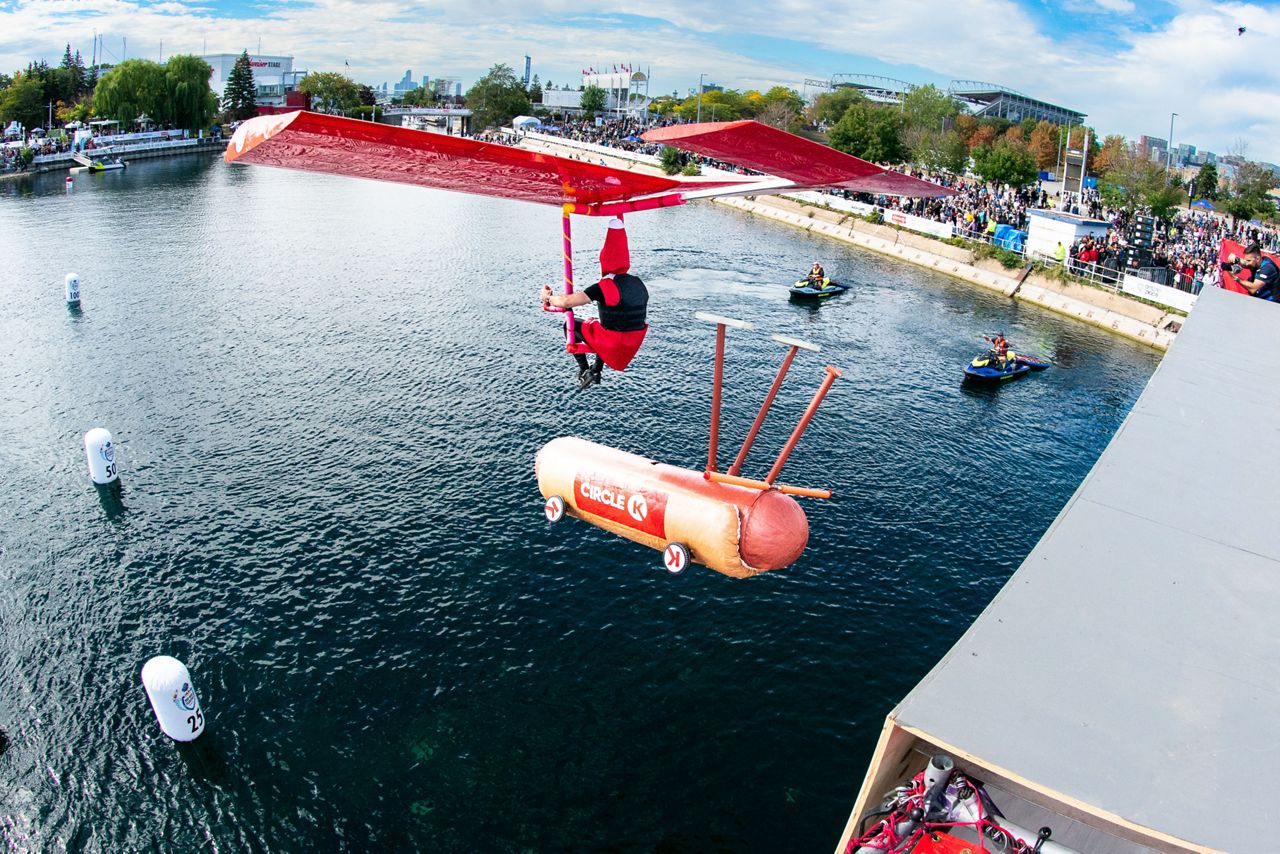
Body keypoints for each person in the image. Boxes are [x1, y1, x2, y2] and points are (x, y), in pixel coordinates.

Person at [541, 218, 649, 389]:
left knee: (571, 325)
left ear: (605, 259)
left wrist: (548, 297)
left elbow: (566, 301)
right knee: (598, 324)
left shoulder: (606, 286)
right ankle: (597, 370)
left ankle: (585, 370)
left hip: (613, 346)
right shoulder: (638, 283)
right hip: (630, 347)